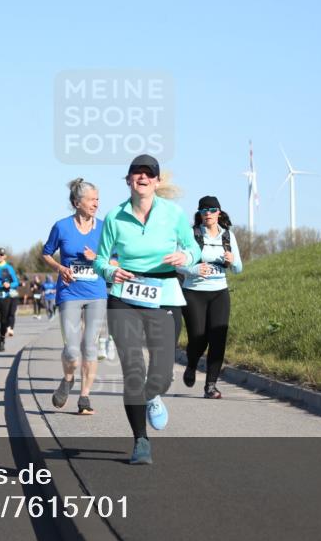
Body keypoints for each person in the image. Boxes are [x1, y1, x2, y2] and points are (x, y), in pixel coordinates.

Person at [94, 155, 201, 465]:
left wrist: (186, 257)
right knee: (132, 369)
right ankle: (141, 440)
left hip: (165, 293)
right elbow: (100, 260)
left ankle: (153, 395)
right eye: (136, 173)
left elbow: (192, 248)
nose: (142, 178)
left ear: (157, 181)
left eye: (148, 174)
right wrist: (112, 272)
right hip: (124, 296)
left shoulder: (173, 213)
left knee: (161, 374)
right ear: (128, 180)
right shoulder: (115, 217)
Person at [42, 177, 107, 416]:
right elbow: (46, 253)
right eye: (91, 199)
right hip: (69, 293)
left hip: (96, 293)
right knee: (72, 350)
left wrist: (97, 258)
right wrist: (60, 268)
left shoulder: (103, 228)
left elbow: (116, 260)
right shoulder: (62, 226)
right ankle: (68, 380)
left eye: (97, 199)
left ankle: (85, 397)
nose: (96, 204)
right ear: (76, 202)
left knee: (90, 347)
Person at [180, 196, 243, 399]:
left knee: (218, 339)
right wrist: (194, 269)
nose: (208, 214)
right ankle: (191, 365)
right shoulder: (191, 235)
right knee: (198, 338)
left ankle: (211, 385)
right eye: (204, 211)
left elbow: (238, 269)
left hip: (219, 292)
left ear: (219, 212)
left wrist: (232, 260)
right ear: (199, 214)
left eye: (212, 210)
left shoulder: (228, 236)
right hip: (194, 292)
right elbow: (177, 263)